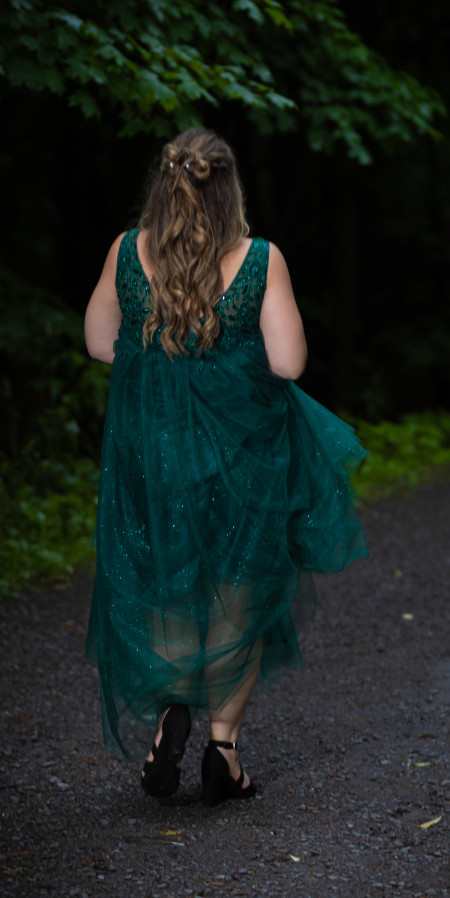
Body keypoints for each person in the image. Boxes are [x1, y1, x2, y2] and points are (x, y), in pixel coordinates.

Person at [84, 128, 368, 806]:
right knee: (240, 587)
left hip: (155, 452)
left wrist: (166, 362)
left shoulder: (126, 251)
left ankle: (170, 717)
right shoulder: (260, 260)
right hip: (242, 454)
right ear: (230, 189)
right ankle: (223, 751)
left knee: (168, 577)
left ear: (163, 184)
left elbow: (98, 343)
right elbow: (288, 364)